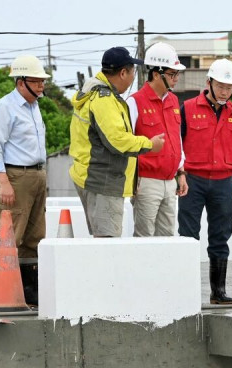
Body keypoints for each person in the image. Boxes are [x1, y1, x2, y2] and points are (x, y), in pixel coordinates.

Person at [180, 59, 232, 305]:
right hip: (193, 181)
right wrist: (179, 174)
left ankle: (218, 292)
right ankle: (187, 291)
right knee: (188, 236)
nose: (225, 92)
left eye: (230, 87)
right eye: (221, 86)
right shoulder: (188, 107)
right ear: (209, 83)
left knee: (220, 237)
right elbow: (177, 143)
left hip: (224, 182)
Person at [69, 47, 164, 238]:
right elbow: (118, 141)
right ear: (123, 73)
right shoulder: (104, 100)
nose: (132, 79)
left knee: (103, 240)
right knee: (107, 241)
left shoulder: (97, 93)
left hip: (97, 178)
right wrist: (149, 144)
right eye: (132, 72)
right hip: (103, 182)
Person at [0, 55, 50, 307]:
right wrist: (3, 182)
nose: (41, 86)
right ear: (21, 81)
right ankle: (1, 291)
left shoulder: (34, 107)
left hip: (37, 173)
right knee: (11, 234)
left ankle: (27, 292)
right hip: (16, 174)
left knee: (35, 236)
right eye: (36, 81)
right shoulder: (5, 107)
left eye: (42, 81)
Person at [127, 42, 187, 237]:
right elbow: (127, 142)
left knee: (167, 236)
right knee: (144, 236)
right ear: (155, 73)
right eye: (172, 74)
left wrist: (181, 172)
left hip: (170, 180)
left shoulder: (173, 101)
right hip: (146, 181)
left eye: (177, 74)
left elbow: (176, 138)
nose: (176, 78)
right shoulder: (134, 102)